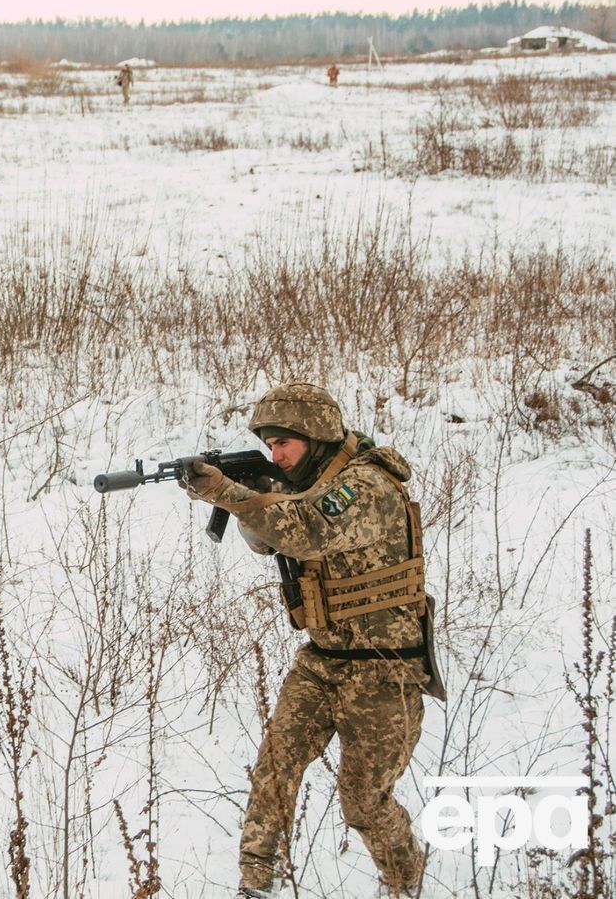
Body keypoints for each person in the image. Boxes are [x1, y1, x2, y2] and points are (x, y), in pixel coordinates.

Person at [182, 383, 434, 899]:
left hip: (384, 670)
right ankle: (256, 884)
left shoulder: (366, 485)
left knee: (364, 802)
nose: (276, 455)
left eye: (282, 444)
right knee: (274, 771)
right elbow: (269, 539)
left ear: (315, 436)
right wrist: (246, 491)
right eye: (270, 446)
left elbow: (307, 532)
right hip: (322, 660)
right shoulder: (309, 482)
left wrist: (228, 492)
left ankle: (407, 882)